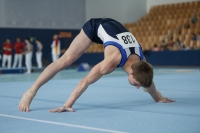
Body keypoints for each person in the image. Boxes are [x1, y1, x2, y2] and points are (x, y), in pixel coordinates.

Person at [19, 18, 175, 112]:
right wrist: (67, 105)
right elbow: (85, 81)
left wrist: (158, 98)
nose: (136, 87)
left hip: (114, 28)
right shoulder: (111, 62)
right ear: (132, 74)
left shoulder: (143, 64)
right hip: (96, 27)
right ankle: (31, 91)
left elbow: (149, 83)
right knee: (65, 60)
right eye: (136, 84)